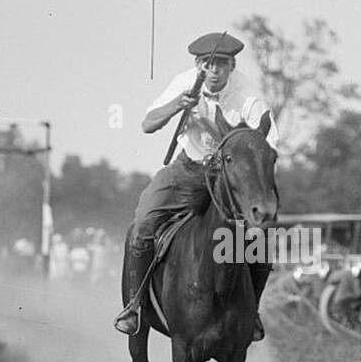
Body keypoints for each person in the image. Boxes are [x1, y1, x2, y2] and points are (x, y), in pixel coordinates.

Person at [114, 31, 278, 337]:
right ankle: (135, 305)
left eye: (221, 64)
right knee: (143, 223)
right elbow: (148, 124)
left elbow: (268, 143)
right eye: (207, 64)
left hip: (229, 180)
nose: (213, 71)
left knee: (260, 240)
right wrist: (178, 104)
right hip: (188, 169)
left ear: (232, 66)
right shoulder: (183, 82)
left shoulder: (247, 94)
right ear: (198, 65)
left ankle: (250, 313)